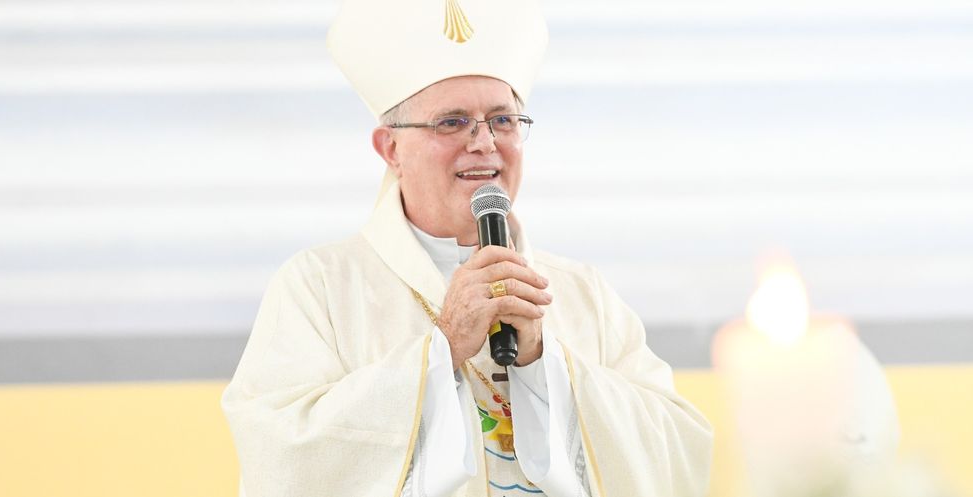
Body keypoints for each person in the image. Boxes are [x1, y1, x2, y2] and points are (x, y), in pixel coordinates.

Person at [221, 0, 713, 496]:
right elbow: (280, 454)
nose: (485, 142)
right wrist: (442, 349)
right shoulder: (321, 286)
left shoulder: (582, 292)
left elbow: (678, 449)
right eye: (452, 122)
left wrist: (544, 363)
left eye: (503, 120)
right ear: (391, 149)